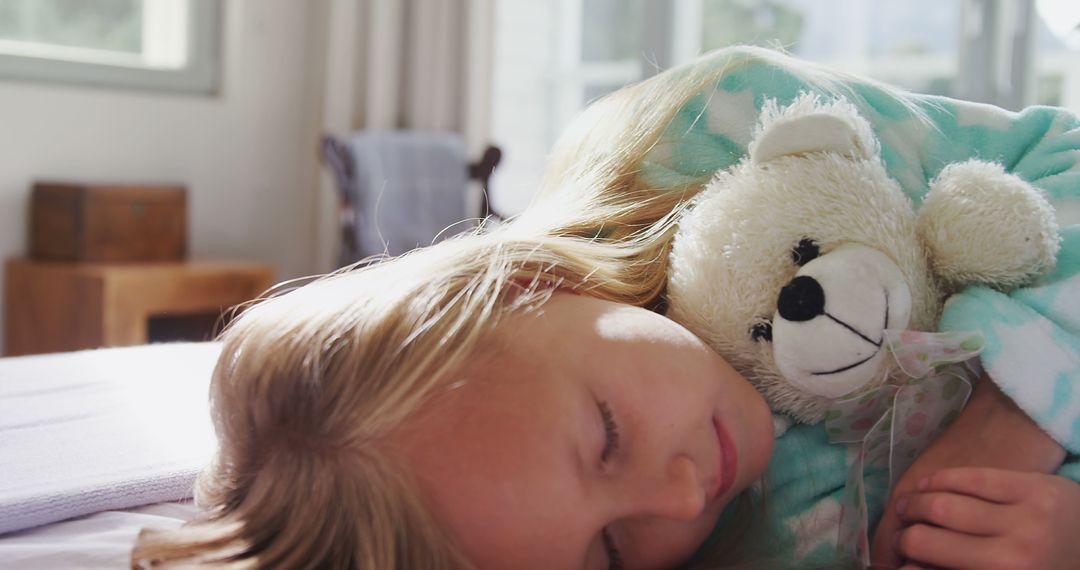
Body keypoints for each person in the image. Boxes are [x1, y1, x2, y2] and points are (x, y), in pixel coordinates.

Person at [132, 47, 1080, 569]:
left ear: (524, 285)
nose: (679, 496)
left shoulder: (709, 137)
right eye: (614, 556)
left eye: (607, 434)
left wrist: (1012, 415)